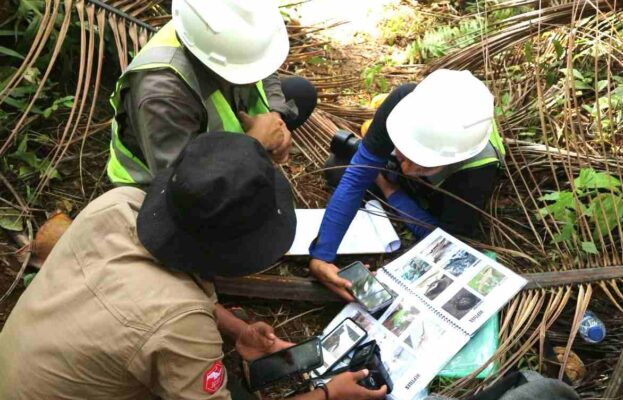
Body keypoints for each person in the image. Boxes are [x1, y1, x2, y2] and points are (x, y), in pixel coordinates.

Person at [0, 133, 385, 400]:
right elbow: (169, 315)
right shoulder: (181, 327)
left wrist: (238, 330)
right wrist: (328, 393)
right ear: (240, 251)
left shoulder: (117, 204)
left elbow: (153, 291)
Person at [309, 69, 506, 300]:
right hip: (415, 184)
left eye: (422, 164)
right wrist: (321, 256)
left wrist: (388, 189)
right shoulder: (404, 104)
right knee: (337, 167)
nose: (407, 169)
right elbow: (356, 177)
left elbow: (443, 241)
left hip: (442, 195)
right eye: (404, 156)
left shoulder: (478, 170)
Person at [107, 0, 317, 186]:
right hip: (160, 188)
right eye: (244, 69)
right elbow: (184, 186)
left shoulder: (217, 33)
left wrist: (275, 117)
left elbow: (263, 65)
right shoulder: (161, 95)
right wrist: (253, 146)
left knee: (300, 92)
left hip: (224, 143)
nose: (255, 77)